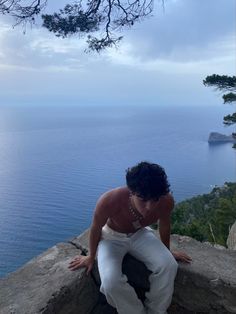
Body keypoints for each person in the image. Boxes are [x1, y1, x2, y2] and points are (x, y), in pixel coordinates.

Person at [69, 161, 191, 314]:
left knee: (169, 265)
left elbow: (164, 224)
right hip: (111, 238)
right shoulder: (110, 200)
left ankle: (156, 310)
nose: (150, 207)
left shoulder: (166, 201)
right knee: (110, 282)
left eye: (155, 199)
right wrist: (91, 256)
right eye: (143, 199)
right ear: (131, 191)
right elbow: (95, 227)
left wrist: (167, 251)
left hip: (140, 234)